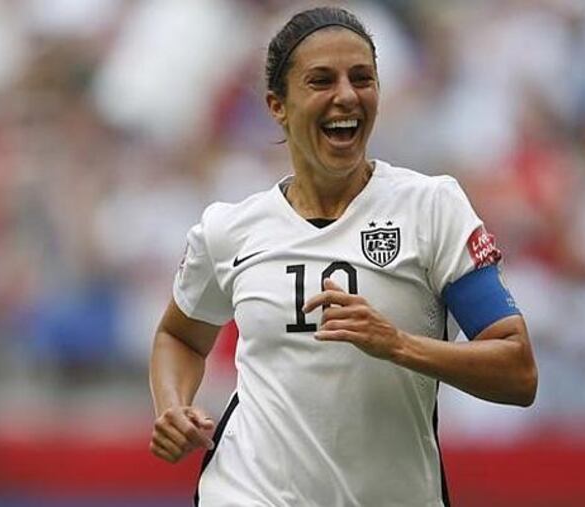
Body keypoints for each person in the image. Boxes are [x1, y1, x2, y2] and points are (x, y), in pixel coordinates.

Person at [149, 6, 537, 506]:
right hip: (248, 491)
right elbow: (180, 335)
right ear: (277, 105)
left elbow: (518, 370)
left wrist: (398, 344)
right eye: (321, 81)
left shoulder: (432, 207)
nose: (347, 95)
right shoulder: (229, 229)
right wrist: (173, 406)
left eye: (362, 78)